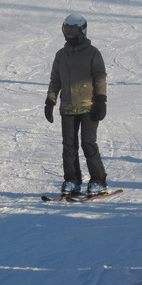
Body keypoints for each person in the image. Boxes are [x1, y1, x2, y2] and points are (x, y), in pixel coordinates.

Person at [44, 14, 109, 197]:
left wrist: (101, 99)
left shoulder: (93, 53)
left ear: (82, 31)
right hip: (68, 107)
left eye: (72, 31)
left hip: (89, 106)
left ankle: (98, 180)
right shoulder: (61, 55)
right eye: (66, 31)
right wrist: (50, 101)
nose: (69, 35)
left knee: (88, 143)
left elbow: (100, 76)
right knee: (69, 146)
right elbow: (55, 80)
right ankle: (72, 180)